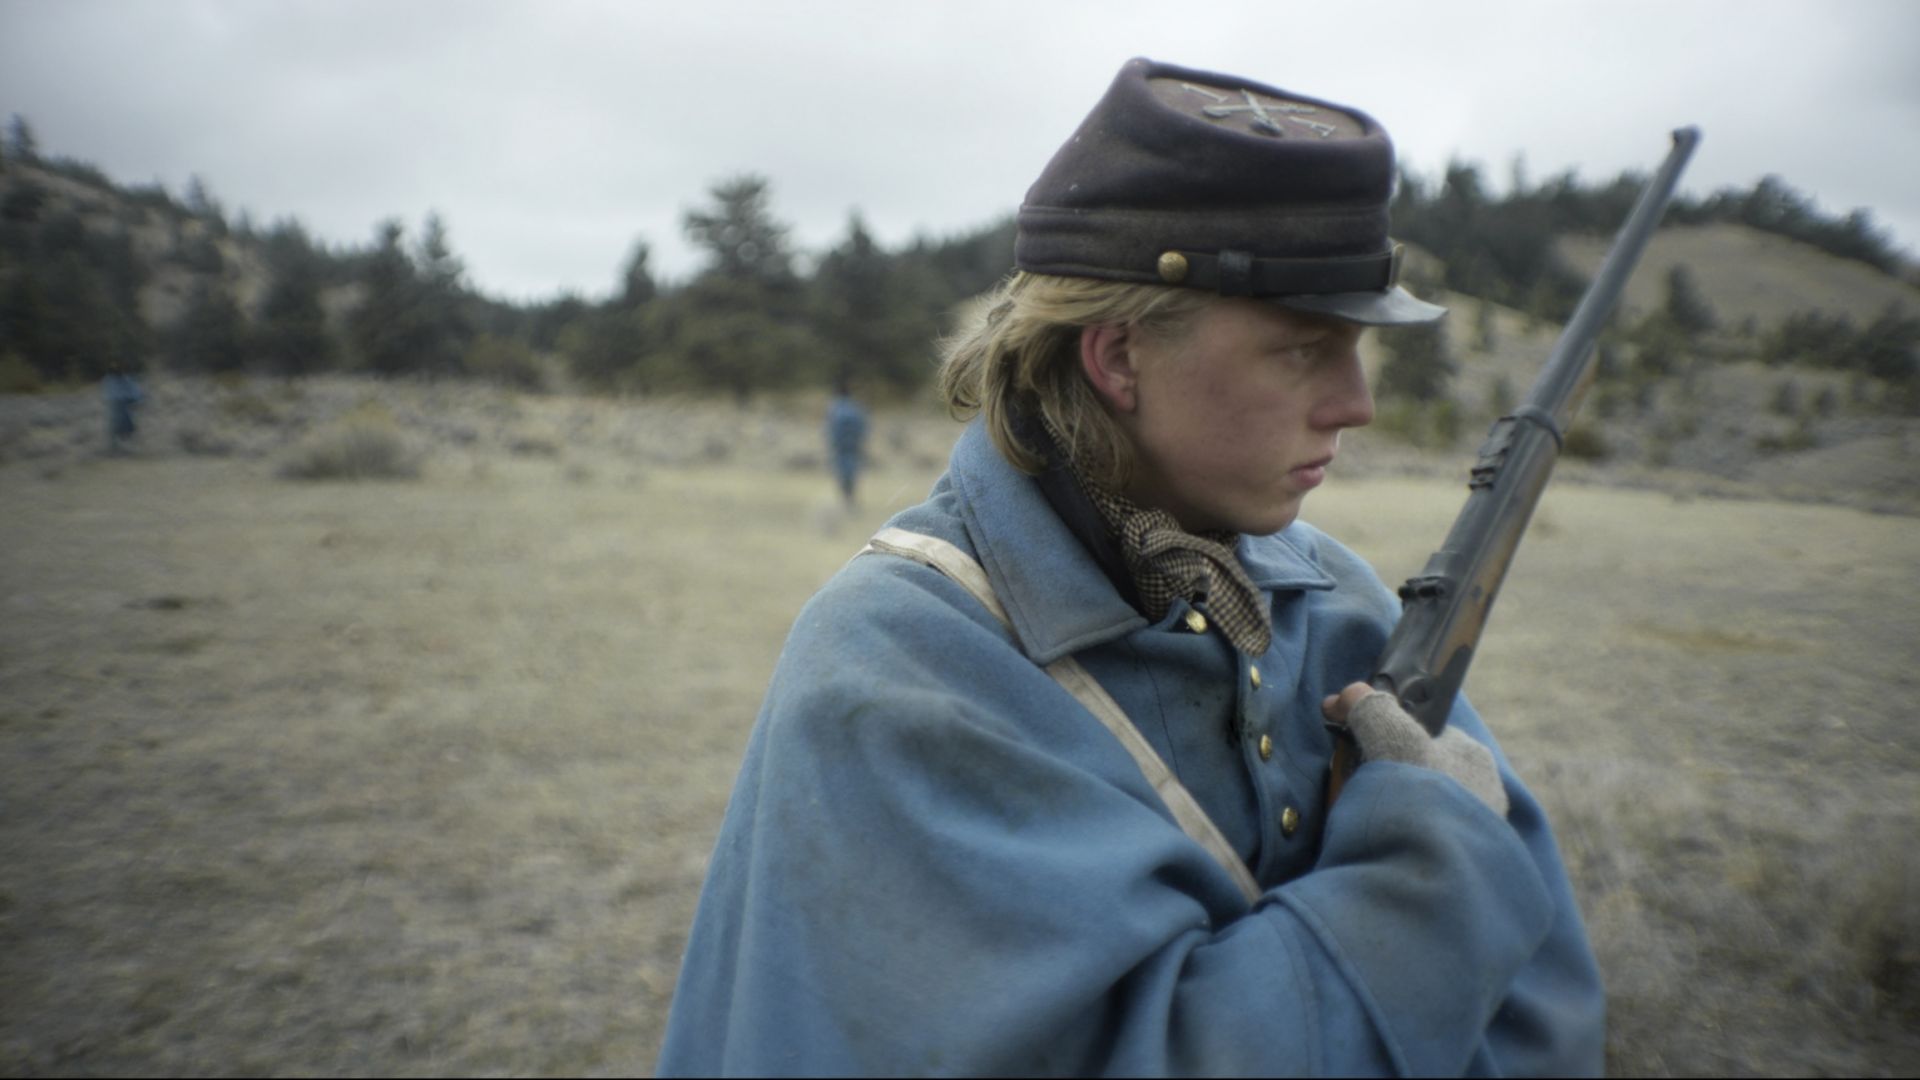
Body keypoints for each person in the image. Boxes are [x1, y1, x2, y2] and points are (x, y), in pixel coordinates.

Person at [658, 58, 1605, 1076]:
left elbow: (1544, 1020)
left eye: (1357, 346)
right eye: (1302, 348)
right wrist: (1436, 868)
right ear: (1118, 358)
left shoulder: (1333, 600)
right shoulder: (891, 669)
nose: (1356, 404)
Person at [825, 373, 870, 508]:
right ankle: (850, 500)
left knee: (842, 474)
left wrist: (832, 444)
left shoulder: (835, 408)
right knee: (852, 474)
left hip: (841, 447)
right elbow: (863, 427)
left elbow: (830, 429)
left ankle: (846, 500)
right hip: (854, 446)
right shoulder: (856, 407)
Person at [102, 361, 143, 454]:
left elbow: (135, 393)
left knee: (126, 426)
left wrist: (136, 400)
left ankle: (126, 446)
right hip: (117, 406)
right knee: (115, 427)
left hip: (124, 405)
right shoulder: (110, 380)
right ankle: (115, 447)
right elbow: (109, 395)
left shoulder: (126, 380)